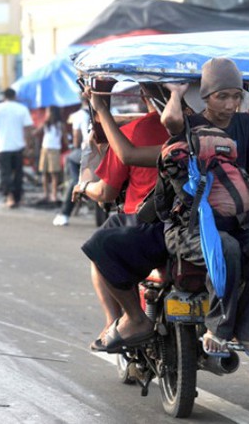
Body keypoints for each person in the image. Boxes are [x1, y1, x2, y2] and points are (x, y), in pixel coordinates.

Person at [84, 58, 249, 358]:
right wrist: (175, 92)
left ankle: (247, 332)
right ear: (206, 97)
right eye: (222, 96)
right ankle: (218, 329)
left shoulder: (248, 125)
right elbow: (170, 122)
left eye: (236, 96)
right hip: (193, 224)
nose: (231, 103)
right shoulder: (190, 125)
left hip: (237, 220)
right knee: (225, 248)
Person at [76, 88, 170, 350]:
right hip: (193, 227)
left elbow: (106, 192)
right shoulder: (201, 132)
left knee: (99, 247)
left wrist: (82, 187)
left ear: (144, 95)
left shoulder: (131, 134)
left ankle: (118, 320)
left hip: (145, 227)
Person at [0, 88, 34, 208]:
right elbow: (28, 129)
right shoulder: (22, 109)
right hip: (18, 146)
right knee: (18, 173)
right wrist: (28, 145)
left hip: (3, 146)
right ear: (15, 96)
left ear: (4, 96)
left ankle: (10, 197)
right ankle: (17, 197)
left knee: (5, 173)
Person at [53, 96, 91, 226]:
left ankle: (64, 214)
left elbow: (76, 137)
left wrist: (75, 146)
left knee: (75, 180)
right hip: (107, 153)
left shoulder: (80, 115)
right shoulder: (112, 110)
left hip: (86, 153)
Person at [35, 106, 66, 204]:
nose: (47, 114)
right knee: (44, 172)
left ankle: (54, 195)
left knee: (54, 174)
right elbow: (36, 132)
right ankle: (46, 194)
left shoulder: (60, 125)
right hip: (45, 149)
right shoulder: (45, 124)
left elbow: (64, 137)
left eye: (48, 112)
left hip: (55, 149)